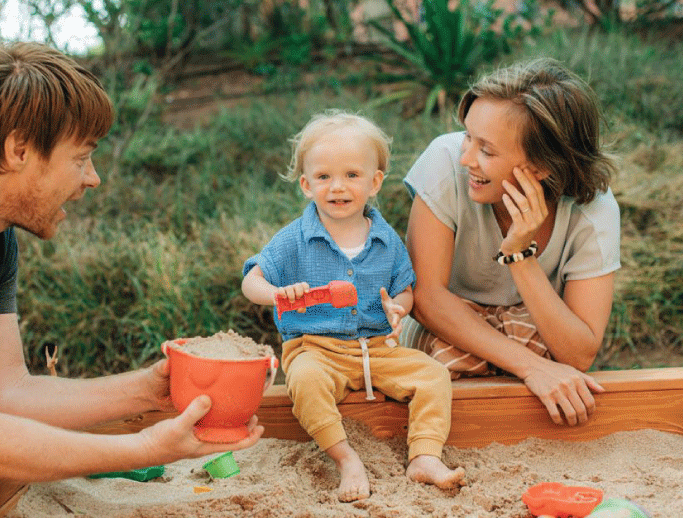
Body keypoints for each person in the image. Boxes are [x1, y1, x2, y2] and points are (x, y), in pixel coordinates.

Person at [0, 42, 262, 501]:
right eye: (79, 158)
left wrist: (149, 391)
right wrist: (144, 447)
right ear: (19, 149)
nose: (92, 178)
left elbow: (3, 394)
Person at [242, 110, 465, 503]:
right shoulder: (294, 240)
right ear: (306, 185)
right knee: (306, 381)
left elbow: (405, 288)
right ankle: (346, 459)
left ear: (374, 182)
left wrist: (398, 308)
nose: (337, 187)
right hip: (315, 347)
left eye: (351, 175)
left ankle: (425, 456)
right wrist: (276, 294)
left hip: (377, 348)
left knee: (433, 375)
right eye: (324, 177)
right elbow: (251, 281)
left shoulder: (386, 239)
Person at [400, 58, 620, 427]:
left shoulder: (593, 212)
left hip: (531, 335)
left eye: (486, 150)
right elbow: (426, 299)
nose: (465, 158)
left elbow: (579, 353)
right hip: (448, 334)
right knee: (449, 355)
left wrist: (520, 255)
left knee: (532, 339)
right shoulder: (444, 160)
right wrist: (534, 368)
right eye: (467, 136)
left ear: (541, 167)